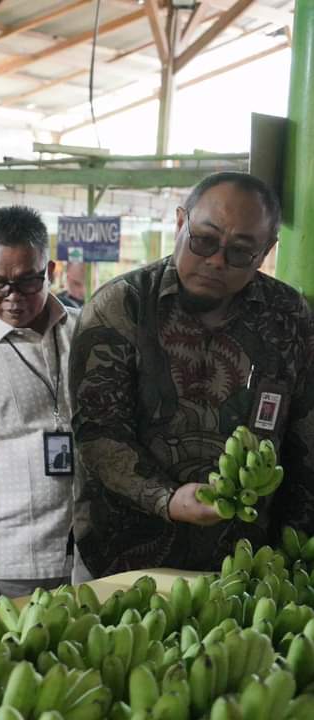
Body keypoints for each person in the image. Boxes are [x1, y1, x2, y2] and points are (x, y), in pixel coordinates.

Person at [70, 172, 314, 578]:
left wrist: (297, 549)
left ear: (266, 250)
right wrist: (167, 498)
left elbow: (305, 440)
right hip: (122, 556)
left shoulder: (288, 317)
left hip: (248, 561)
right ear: (180, 222)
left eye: (240, 251)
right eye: (204, 239)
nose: (217, 261)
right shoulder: (121, 306)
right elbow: (98, 433)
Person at [0, 205, 78, 602]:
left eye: (28, 282)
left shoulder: (84, 334)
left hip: (86, 554)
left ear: (51, 271)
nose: (13, 298)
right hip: (12, 558)